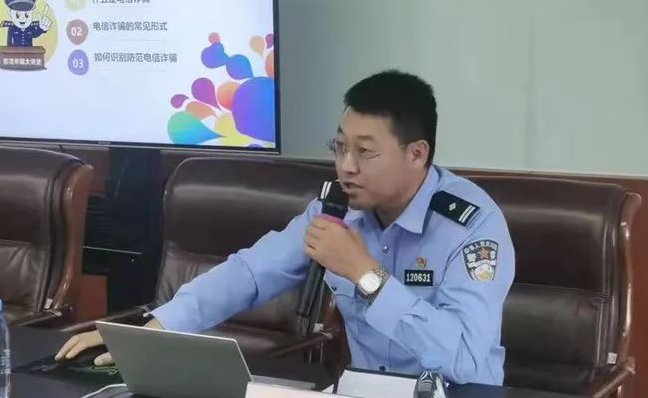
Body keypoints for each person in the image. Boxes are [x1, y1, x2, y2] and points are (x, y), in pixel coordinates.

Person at [56, 70, 515, 385]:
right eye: (340, 147)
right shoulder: (338, 210)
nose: (346, 166)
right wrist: (155, 329)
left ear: (416, 154)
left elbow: (465, 359)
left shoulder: (472, 227)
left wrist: (367, 276)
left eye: (365, 152)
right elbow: (250, 273)